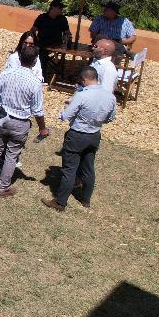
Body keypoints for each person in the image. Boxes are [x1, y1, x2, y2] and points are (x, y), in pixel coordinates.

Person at [42, 66, 116, 212]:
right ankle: (86, 199)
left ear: (84, 80)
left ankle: (60, 202)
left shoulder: (82, 95)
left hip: (77, 135)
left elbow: (66, 116)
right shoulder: (110, 97)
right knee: (88, 168)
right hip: (94, 135)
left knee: (69, 169)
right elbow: (110, 118)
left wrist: (62, 112)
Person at [0, 45, 48, 196]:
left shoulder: (5, 74)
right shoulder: (35, 82)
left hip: (1, 118)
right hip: (20, 122)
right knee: (12, 155)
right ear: (35, 61)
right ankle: (4, 187)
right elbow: (38, 110)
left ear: (19, 57)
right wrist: (42, 128)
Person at [31, 0, 72, 78]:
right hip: (43, 43)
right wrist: (34, 41)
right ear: (53, 7)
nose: (62, 9)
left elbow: (67, 32)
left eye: (62, 7)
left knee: (45, 56)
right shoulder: (42, 17)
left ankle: (55, 73)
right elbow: (33, 30)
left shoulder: (62, 19)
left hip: (57, 45)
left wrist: (67, 40)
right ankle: (42, 76)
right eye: (60, 7)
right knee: (42, 55)